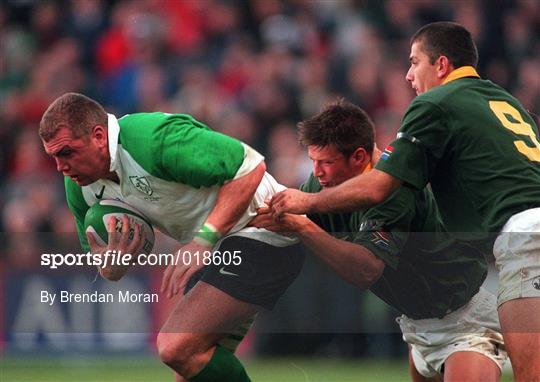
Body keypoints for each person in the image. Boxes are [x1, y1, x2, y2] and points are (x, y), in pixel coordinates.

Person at [270, 22, 540, 381]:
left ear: (441, 65)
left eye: (414, 62)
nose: (409, 75)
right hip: (435, 309)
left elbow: (379, 187)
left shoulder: (435, 103)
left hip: (522, 241)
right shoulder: (503, 100)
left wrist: (306, 204)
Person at [39, 92, 304, 382]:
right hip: (224, 247)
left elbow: (250, 167)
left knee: (175, 347)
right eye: (53, 156)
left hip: (266, 230)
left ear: (99, 136)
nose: (60, 166)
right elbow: (106, 267)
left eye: (66, 152)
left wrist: (202, 240)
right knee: (189, 369)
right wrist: (114, 264)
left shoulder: (152, 139)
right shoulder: (79, 186)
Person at [254, 99, 507, 381]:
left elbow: (366, 269)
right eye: (313, 160)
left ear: (360, 157)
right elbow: (280, 220)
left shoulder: (393, 189)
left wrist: (302, 226)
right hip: (417, 325)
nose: (316, 172)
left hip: (465, 321)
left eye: (326, 162)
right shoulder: (322, 184)